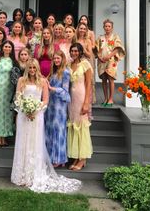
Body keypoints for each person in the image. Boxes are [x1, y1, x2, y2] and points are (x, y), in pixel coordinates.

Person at [11, 58, 81, 193]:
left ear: (37, 68)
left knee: (34, 143)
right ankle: (21, 174)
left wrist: (35, 110)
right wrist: (25, 109)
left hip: (37, 116)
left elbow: (45, 100)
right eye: (30, 68)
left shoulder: (42, 81)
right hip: (23, 116)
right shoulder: (21, 80)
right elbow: (17, 98)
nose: (32, 70)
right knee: (23, 143)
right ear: (27, 69)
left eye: (34, 68)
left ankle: (33, 174)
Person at [67, 43, 93, 171]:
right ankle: (76, 157)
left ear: (81, 52)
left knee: (81, 126)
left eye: (76, 51)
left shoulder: (85, 64)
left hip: (81, 96)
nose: (74, 53)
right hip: (71, 99)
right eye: (72, 51)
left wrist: (87, 102)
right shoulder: (69, 65)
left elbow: (89, 83)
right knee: (73, 125)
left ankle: (82, 159)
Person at [45, 50, 70, 168]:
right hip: (51, 105)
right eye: (54, 59)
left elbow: (65, 91)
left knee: (58, 131)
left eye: (58, 58)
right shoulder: (53, 72)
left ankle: (59, 158)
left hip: (60, 106)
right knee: (50, 129)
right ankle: (51, 156)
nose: (56, 60)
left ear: (62, 59)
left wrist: (52, 88)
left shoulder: (65, 72)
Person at [95, 19, 125, 106]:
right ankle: (105, 98)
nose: (107, 28)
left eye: (109, 26)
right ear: (103, 27)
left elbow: (118, 48)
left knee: (110, 78)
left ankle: (111, 99)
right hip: (102, 61)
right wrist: (100, 57)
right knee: (104, 79)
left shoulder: (115, 37)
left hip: (111, 61)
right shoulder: (100, 38)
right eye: (106, 26)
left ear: (112, 28)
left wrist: (109, 55)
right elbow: (96, 49)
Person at [76, 22, 96, 103]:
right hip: (75, 63)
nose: (82, 30)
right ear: (78, 29)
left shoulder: (88, 41)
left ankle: (86, 101)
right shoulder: (75, 39)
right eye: (81, 28)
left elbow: (89, 55)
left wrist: (83, 49)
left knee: (86, 83)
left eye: (84, 29)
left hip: (84, 64)